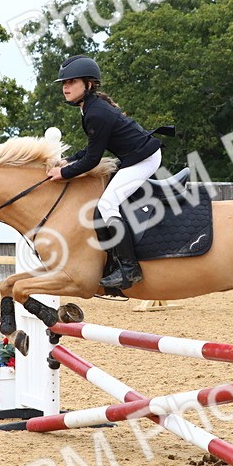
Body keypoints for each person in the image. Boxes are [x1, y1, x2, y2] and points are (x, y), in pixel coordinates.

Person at [46, 55, 162, 290]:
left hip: (144, 160)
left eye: (71, 82)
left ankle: (129, 269)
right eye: (64, 83)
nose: (66, 87)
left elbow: (92, 160)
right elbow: (91, 149)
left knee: (107, 205)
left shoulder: (96, 112)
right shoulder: (90, 108)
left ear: (88, 84)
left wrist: (63, 173)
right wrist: (68, 160)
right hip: (134, 157)